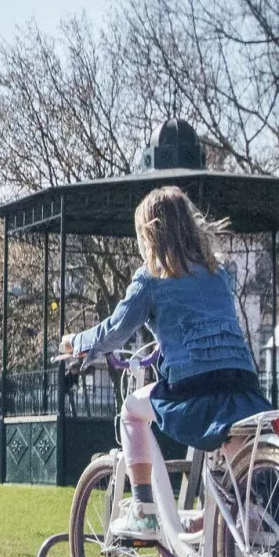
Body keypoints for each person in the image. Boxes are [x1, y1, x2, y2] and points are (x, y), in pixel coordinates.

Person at [62, 185, 273, 539]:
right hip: (243, 383)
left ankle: (143, 509)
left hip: (194, 390)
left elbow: (114, 332)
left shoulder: (152, 278)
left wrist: (77, 343)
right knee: (237, 457)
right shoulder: (219, 272)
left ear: (150, 234)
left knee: (132, 410)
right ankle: (230, 529)